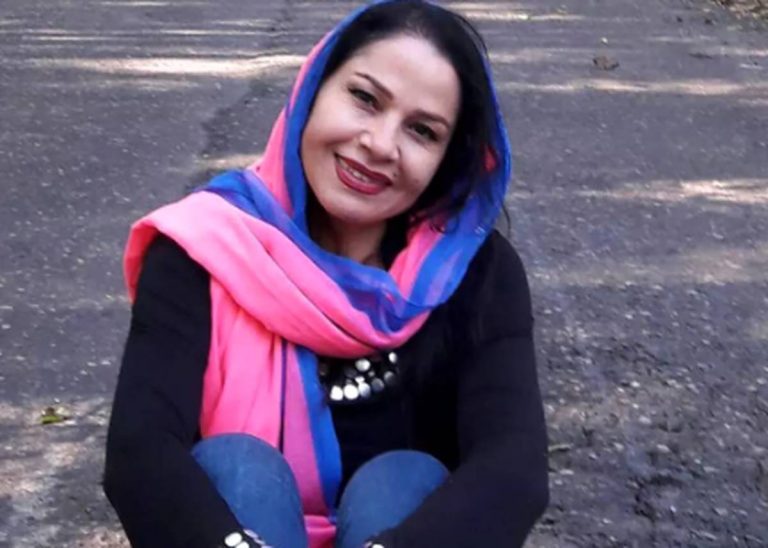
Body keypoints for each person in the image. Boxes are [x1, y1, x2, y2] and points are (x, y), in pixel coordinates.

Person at [103, 1, 549, 547]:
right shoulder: (201, 248)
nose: (380, 144)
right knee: (238, 464)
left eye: (422, 131)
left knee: (402, 478)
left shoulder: (473, 274)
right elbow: (140, 452)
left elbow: (513, 470)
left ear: (446, 161)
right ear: (312, 91)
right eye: (364, 98)